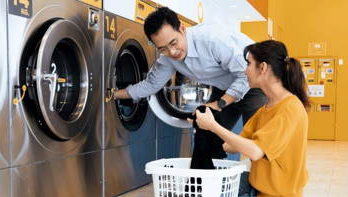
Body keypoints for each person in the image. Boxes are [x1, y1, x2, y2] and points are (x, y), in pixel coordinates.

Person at [194, 40, 309, 197]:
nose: (244, 70)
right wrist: (208, 127)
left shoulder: (290, 109)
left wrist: (213, 126)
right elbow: (229, 146)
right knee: (211, 192)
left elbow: (255, 151)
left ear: (263, 68)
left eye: (248, 64)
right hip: (259, 188)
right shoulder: (265, 109)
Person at [113, 7, 267, 130]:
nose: (172, 52)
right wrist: (113, 94)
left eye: (174, 43)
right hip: (226, 87)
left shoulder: (212, 40)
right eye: (163, 48)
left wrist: (218, 104)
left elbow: (244, 75)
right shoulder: (167, 58)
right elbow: (151, 85)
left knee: (257, 140)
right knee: (207, 138)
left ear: (182, 28)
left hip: (256, 83)